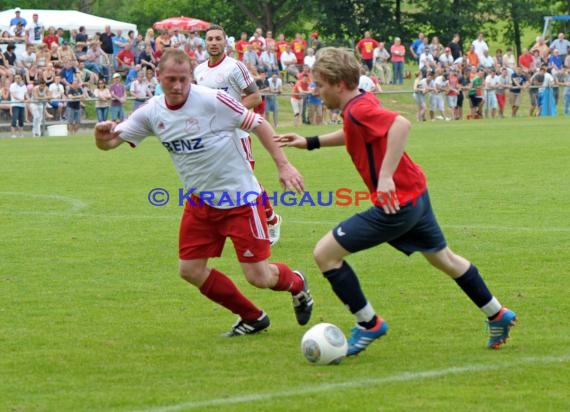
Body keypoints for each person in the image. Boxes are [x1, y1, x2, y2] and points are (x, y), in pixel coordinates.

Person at [275, 47, 516, 356]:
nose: (315, 91)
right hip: (415, 193)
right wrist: (310, 142)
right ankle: (498, 314)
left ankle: (369, 323)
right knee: (445, 259)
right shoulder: (359, 103)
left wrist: (386, 176)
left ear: (338, 84)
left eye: (319, 85)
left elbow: (400, 124)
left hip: (396, 204)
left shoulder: (358, 109)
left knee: (325, 255)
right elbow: (355, 133)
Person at [94, 48, 313, 336]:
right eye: (170, 79)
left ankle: (297, 284)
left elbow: (258, 123)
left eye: (183, 79)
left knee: (259, 277)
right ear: (157, 76)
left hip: (240, 201)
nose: (177, 85)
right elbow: (110, 143)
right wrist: (101, 137)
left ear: (191, 77)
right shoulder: (151, 111)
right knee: (190, 270)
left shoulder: (212, 100)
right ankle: (252, 317)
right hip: (200, 203)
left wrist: (283, 165)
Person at [195, 25, 283, 246]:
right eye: (210, 39)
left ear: (225, 42)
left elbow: (255, 97)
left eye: (218, 39)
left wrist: (230, 113)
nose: (214, 42)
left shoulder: (235, 67)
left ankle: (271, 220)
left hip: (237, 135)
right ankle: (219, 226)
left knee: (247, 181)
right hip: (212, 138)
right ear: (205, 43)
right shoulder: (199, 71)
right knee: (213, 180)